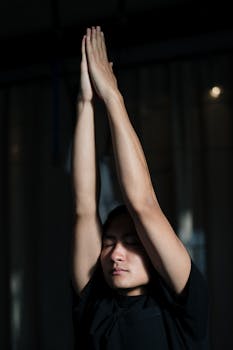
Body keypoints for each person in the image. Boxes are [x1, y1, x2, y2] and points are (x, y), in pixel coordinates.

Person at [71, 26, 209, 349]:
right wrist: (85, 102)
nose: (116, 254)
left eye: (131, 242)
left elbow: (143, 204)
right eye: (109, 242)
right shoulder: (95, 308)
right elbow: (84, 207)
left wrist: (113, 97)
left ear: (153, 251)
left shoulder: (184, 308)